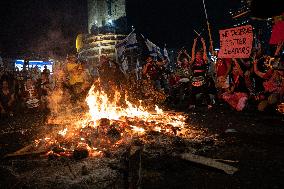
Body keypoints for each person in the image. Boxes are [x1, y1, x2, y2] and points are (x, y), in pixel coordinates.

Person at [188, 37, 213, 109]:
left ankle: (209, 104)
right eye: (197, 54)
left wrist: (203, 42)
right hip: (195, 78)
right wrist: (194, 42)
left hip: (202, 77)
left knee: (205, 91)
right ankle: (192, 104)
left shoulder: (203, 60)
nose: (197, 55)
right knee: (192, 91)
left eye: (199, 54)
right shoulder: (193, 60)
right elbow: (192, 51)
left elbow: (205, 50)